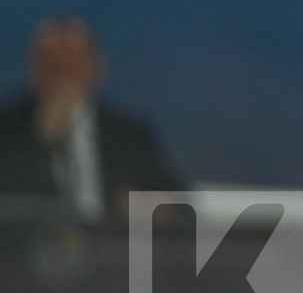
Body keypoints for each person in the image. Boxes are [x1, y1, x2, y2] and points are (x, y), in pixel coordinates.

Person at [0, 17, 182, 221]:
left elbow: (178, 202)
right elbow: (10, 192)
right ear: (33, 69)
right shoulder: (7, 127)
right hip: (24, 242)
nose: (62, 78)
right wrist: (41, 140)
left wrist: (149, 205)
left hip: (110, 243)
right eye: (52, 66)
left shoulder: (129, 133)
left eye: (70, 66)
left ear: (95, 67)